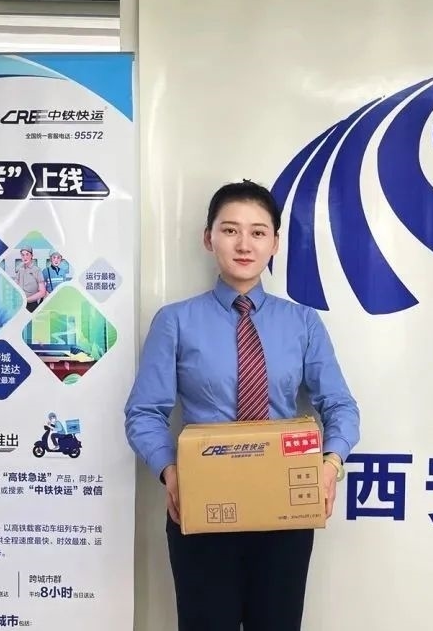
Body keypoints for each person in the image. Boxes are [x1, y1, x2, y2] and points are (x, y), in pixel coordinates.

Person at [123, 179, 360, 631]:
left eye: (258, 232)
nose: (244, 244)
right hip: (201, 502)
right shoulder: (176, 321)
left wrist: (329, 467)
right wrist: (171, 473)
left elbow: (340, 405)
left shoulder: (302, 322)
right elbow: (144, 412)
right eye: (230, 230)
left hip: (284, 510)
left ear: (275, 243)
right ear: (208, 238)